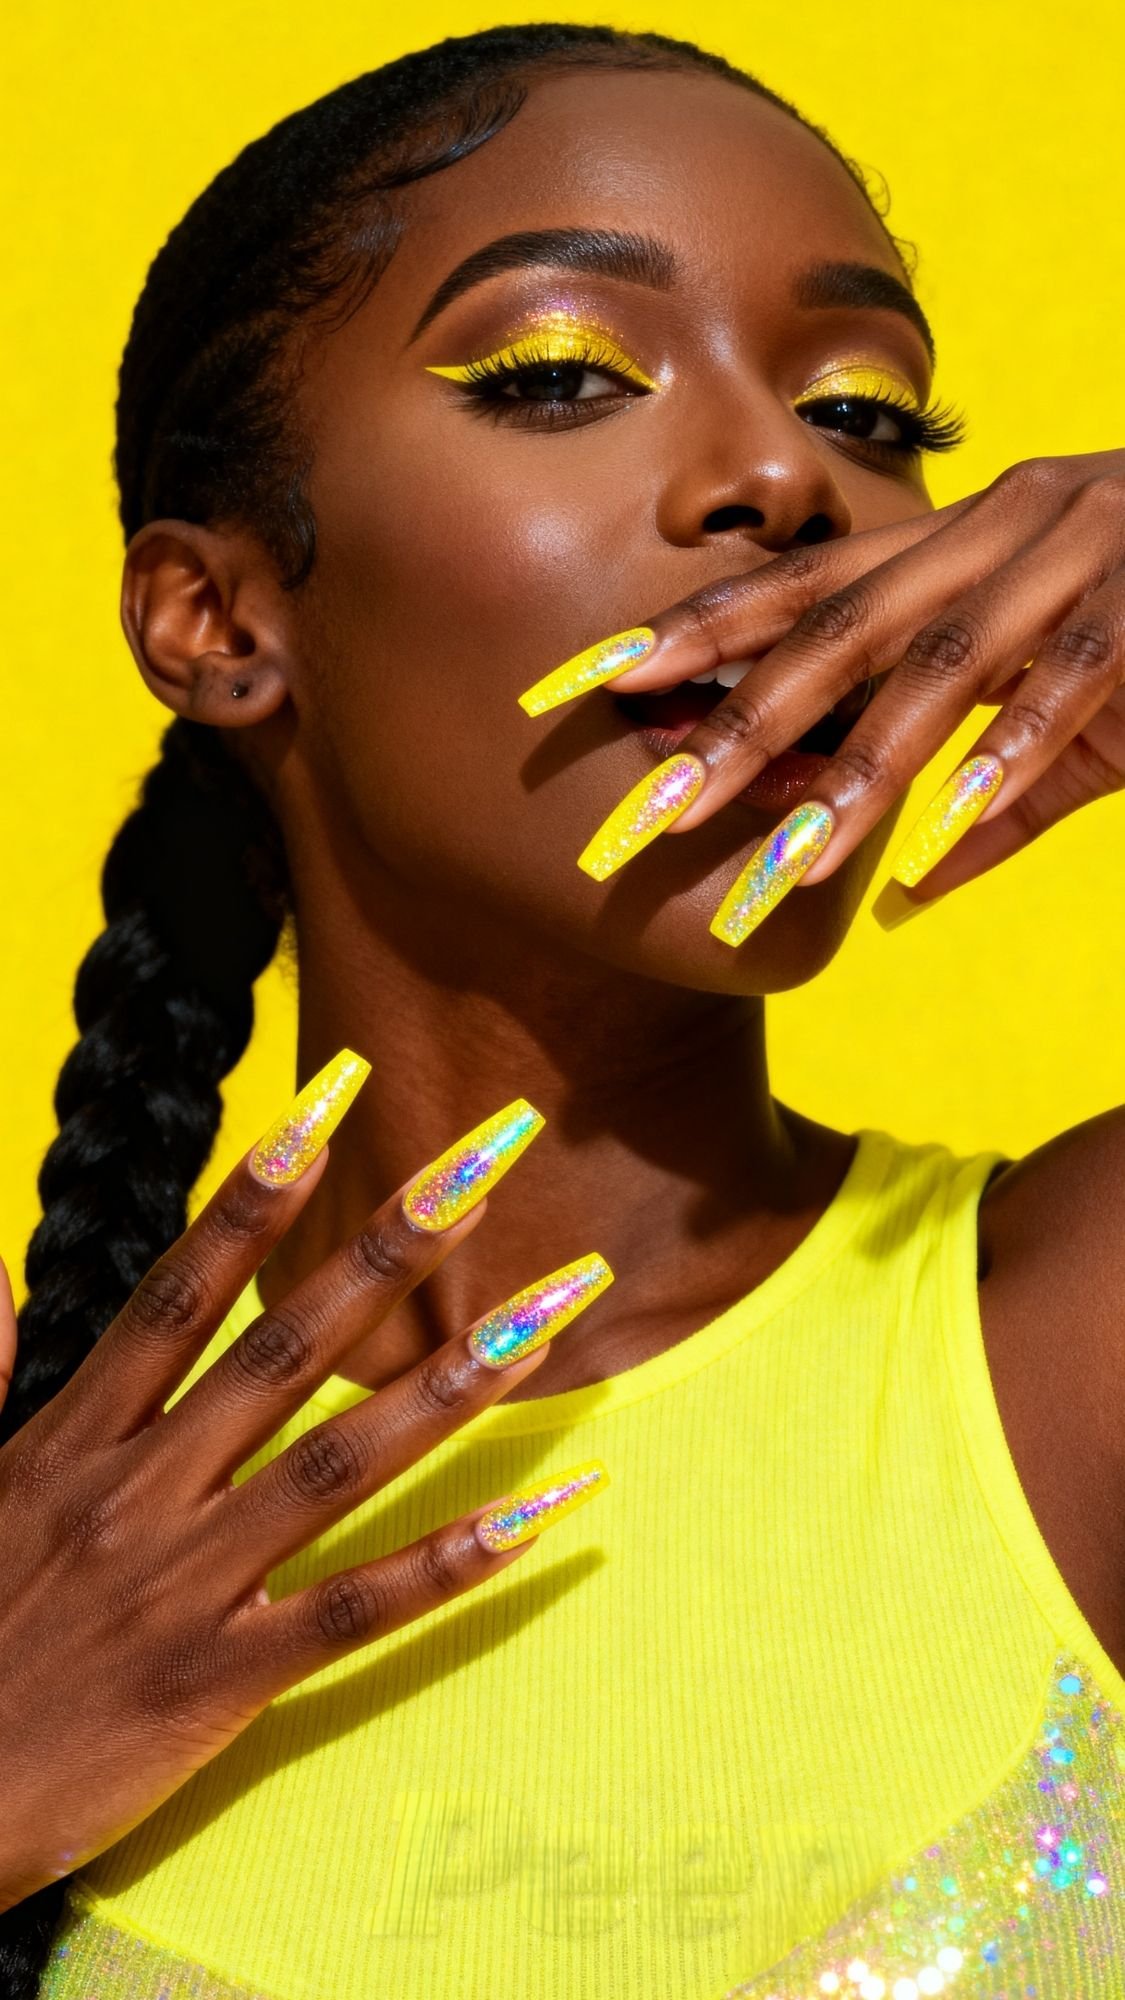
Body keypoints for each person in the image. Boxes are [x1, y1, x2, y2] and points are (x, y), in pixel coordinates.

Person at [2, 19, 1123, 1999]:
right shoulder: (35, 1493)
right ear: (220, 619)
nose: (783, 471)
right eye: (555, 378)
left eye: (868, 416)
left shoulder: (1067, 1348)